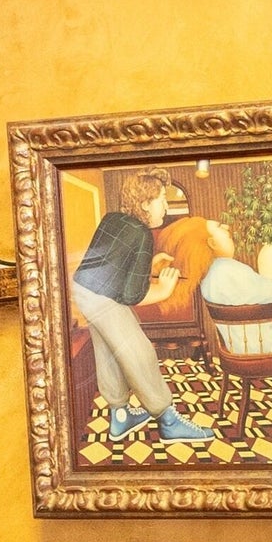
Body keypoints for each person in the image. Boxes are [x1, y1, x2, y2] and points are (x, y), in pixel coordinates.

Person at [68, 170, 220, 447]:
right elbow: (131, 294)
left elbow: (114, 268)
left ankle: (121, 415)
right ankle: (168, 421)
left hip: (84, 290)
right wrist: (164, 289)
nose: (166, 205)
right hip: (103, 298)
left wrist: (149, 264)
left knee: (109, 350)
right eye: (162, 199)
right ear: (145, 203)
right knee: (140, 352)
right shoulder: (141, 234)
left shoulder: (114, 219)